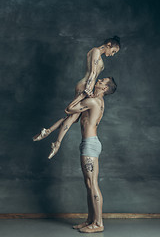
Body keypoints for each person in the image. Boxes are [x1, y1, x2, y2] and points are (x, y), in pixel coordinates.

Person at [33, 36, 120, 158]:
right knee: (71, 115)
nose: (112, 54)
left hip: (86, 85)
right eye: (113, 51)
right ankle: (55, 142)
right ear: (109, 44)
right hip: (85, 85)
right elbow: (93, 73)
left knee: (73, 118)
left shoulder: (97, 54)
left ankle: (48, 132)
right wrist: (88, 89)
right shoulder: (96, 51)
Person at [62, 77, 117, 233]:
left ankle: (98, 223)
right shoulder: (96, 100)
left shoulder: (94, 102)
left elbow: (69, 109)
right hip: (88, 143)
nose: (98, 80)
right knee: (88, 184)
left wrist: (81, 96)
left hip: (90, 144)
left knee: (92, 184)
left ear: (105, 88)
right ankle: (90, 220)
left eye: (102, 81)